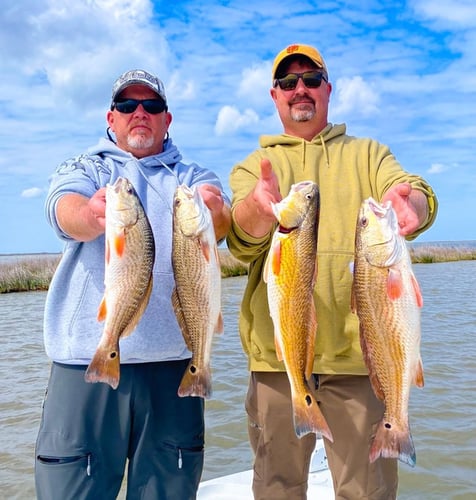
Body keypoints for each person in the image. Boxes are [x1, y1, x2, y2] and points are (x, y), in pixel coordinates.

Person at [226, 44, 438, 500]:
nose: (299, 89)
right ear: (274, 95)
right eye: (288, 82)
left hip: (360, 364)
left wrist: (412, 204)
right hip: (277, 365)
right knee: (276, 488)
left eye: (311, 79)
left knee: (367, 492)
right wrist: (260, 213)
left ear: (328, 89)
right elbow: (242, 242)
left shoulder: (369, 154)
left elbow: (413, 190)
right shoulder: (254, 165)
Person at [35, 69, 231, 500]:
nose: (139, 113)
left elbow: (217, 216)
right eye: (127, 105)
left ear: (167, 118)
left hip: (173, 367)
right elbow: (62, 207)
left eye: (151, 105)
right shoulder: (88, 166)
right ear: (111, 117)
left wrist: (214, 210)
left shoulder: (191, 175)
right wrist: (89, 215)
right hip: (85, 361)